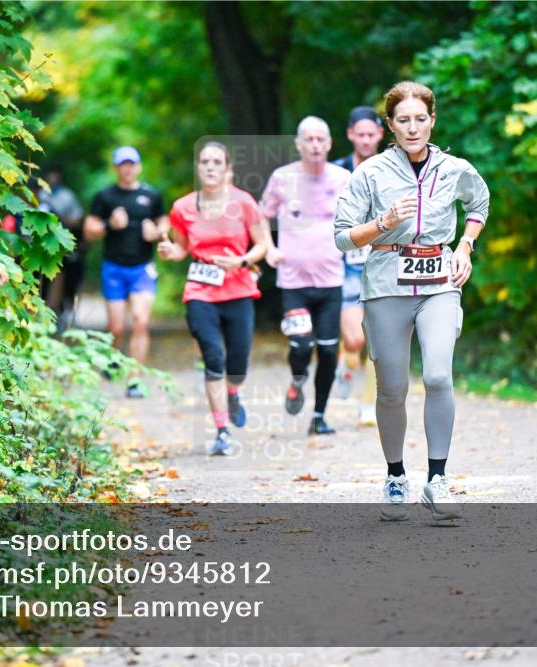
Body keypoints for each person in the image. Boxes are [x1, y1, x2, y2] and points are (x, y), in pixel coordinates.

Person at [334, 81, 489, 523]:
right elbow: (343, 236)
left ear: (432, 120)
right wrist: (382, 222)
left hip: (440, 280)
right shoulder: (370, 173)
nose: (413, 127)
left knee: (439, 375)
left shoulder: (455, 168)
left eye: (421, 118)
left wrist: (464, 246)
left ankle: (437, 479)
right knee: (393, 389)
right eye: (403, 120)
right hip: (387, 283)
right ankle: (396, 475)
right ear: (390, 126)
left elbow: (479, 202)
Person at [157, 141, 270, 455]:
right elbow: (182, 247)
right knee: (213, 358)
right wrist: (171, 251)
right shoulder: (183, 207)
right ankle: (222, 430)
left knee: (238, 364)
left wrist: (242, 261)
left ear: (228, 169)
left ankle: (233, 392)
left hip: (238, 287)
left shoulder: (244, 203)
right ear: (198, 168)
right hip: (200, 290)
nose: (209, 167)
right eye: (204, 161)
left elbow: (262, 244)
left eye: (216, 162)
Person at [261, 117, 352, 436]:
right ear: (298, 144)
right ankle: (297, 378)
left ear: (329, 144)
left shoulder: (343, 179)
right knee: (301, 347)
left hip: (330, 282)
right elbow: (262, 215)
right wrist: (268, 247)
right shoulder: (282, 178)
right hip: (294, 283)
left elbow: (359, 219)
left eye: (320, 140)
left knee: (328, 350)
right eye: (308, 140)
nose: (314, 145)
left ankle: (319, 415)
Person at [83, 147, 169, 398]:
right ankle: (112, 357)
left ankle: (135, 381)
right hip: (114, 269)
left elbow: (165, 221)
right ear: (116, 168)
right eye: (123, 164)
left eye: (132, 164)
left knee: (141, 322)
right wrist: (110, 224)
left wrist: (156, 231)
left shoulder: (151, 195)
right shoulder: (105, 196)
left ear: (139, 167)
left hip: (142, 269)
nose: (128, 168)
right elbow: (89, 229)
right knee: (117, 327)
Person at [331, 106, 385, 425]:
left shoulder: (394, 168)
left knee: (380, 337)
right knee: (355, 340)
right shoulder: (336, 172)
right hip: (345, 263)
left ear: (380, 134)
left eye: (371, 134)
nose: (366, 140)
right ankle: (346, 362)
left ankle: (370, 405)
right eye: (360, 134)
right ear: (351, 135)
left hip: (382, 260)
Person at [36, 165, 85, 332]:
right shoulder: (38, 195)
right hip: (37, 245)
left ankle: (54, 314)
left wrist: (62, 219)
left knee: (60, 278)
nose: (53, 179)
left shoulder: (67, 196)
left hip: (60, 245)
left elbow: (78, 220)